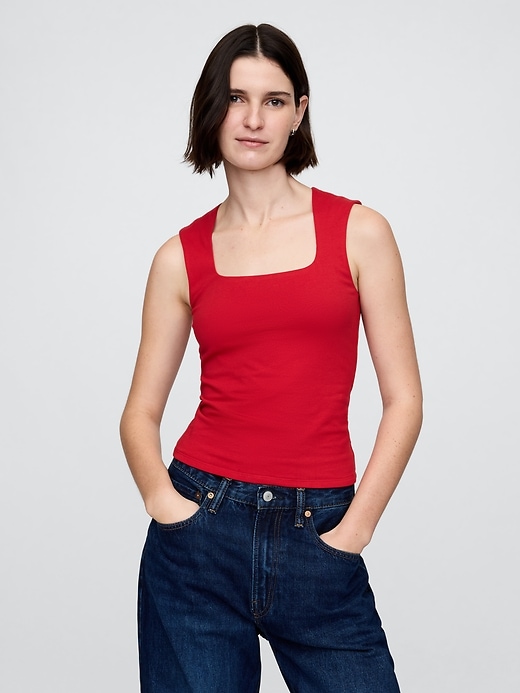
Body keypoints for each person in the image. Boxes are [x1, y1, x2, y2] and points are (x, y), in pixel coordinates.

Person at [120, 22, 423, 693]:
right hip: (199, 534)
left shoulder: (360, 232)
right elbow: (139, 413)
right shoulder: (179, 256)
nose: (253, 118)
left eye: (274, 100)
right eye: (236, 98)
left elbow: (405, 399)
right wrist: (165, 504)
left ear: (298, 113)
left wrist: (357, 528)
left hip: (320, 532)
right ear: (211, 109)